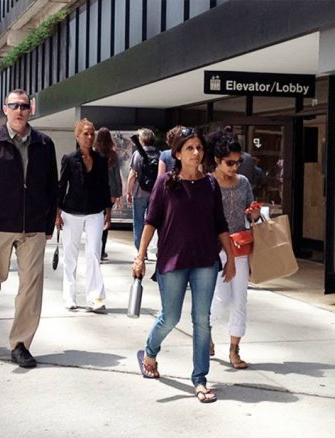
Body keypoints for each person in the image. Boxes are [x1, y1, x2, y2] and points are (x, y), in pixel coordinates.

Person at [132, 127, 236, 404]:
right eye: (189, 148)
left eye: (199, 148)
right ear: (177, 153)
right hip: (173, 259)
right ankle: (150, 352)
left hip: (205, 260)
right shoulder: (166, 182)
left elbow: (220, 224)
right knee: (171, 317)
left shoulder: (210, 184)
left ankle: (200, 379)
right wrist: (140, 256)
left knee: (202, 321)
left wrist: (230, 258)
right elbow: (151, 221)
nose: (196, 152)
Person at [0, 89, 59, 368]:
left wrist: (49, 219)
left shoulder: (44, 143)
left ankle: (20, 344)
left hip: (33, 227)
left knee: (31, 286)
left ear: (31, 109)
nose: (20, 110)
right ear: (5, 109)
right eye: (14, 106)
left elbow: (51, 184)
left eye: (24, 106)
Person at [207, 131, 261, 369]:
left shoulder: (244, 183)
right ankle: (205, 331)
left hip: (240, 245)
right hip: (215, 247)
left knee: (240, 300)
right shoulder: (207, 183)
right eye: (230, 162)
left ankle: (234, 349)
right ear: (217, 160)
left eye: (238, 162)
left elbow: (252, 215)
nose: (234, 166)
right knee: (221, 299)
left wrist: (255, 213)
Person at [56, 119, 112, 312]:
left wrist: (108, 211)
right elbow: (61, 186)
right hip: (71, 213)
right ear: (77, 136)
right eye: (86, 134)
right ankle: (69, 296)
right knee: (70, 256)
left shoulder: (101, 159)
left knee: (94, 254)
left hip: (95, 212)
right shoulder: (69, 159)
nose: (89, 137)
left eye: (92, 134)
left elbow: (105, 186)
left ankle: (95, 297)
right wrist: (57, 213)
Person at [125, 128, 158, 256]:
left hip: (139, 193)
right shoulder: (159, 154)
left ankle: (141, 252)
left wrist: (128, 191)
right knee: (154, 222)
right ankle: (157, 249)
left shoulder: (137, 155)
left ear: (142, 140)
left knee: (138, 222)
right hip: (155, 194)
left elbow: (132, 175)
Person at [96, 127, 122, 261]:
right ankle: (101, 250)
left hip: (96, 191)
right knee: (106, 220)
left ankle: (95, 248)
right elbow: (117, 175)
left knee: (96, 220)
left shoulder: (94, 153)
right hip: (110, 191)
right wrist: (119, 193)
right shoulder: (113, 155)